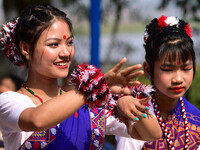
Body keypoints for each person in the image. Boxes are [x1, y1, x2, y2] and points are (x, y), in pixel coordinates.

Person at [0, 4, 162, 150]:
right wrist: (97, 85)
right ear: (26, 49)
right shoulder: (10, 101)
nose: (65, 53)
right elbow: (37, 120)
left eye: (69, 43)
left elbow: (152, 134)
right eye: (54, 44)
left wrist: (128, 103)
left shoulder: (88, 106)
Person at [116, 15, 200, 150]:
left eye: (186, 68)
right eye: (168, 69)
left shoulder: (195, 117)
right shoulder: (134, 113)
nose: (178, 78)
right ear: (148, 70)